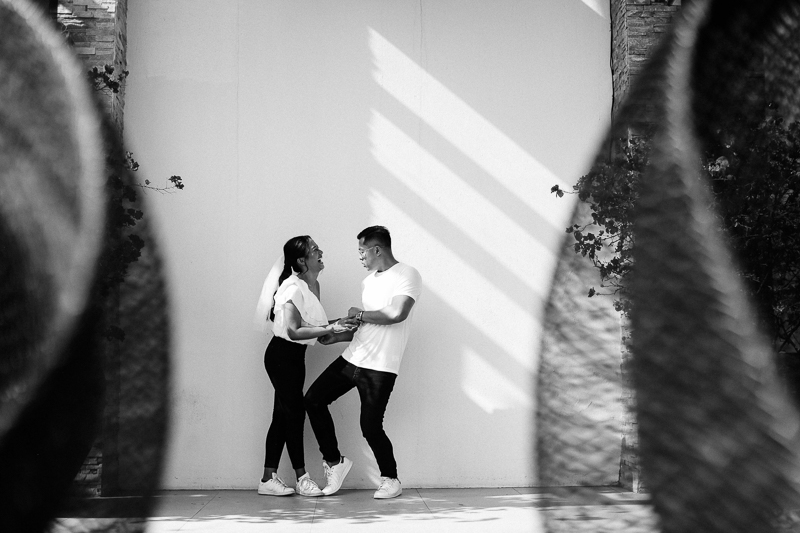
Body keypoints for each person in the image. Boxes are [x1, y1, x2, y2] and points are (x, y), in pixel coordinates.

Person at [305, 226, 422, 499]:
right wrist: (336, 336)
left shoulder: (407, 274)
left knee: (370, 426)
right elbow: (368, 325)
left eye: (362, 251)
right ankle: (335, 461)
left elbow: (396, 313)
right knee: (313, 400)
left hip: (381, 366)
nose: (360, 257)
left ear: (377, 249)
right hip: (353, 357)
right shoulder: (368, 282)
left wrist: (358, 315)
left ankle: (391, 479)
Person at [254, 236, 357, 497]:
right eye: (314, 249)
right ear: (301, 260)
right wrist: (331, 327)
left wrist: (345, 324)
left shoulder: (313, 286)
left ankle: (267, 479)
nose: (321, 252)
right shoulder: (292, 288)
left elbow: (316, 330)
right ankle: (302, 478)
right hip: (281, 357)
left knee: (282, 416)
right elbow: (293, 330)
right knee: (295, 414)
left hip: (295, 358)